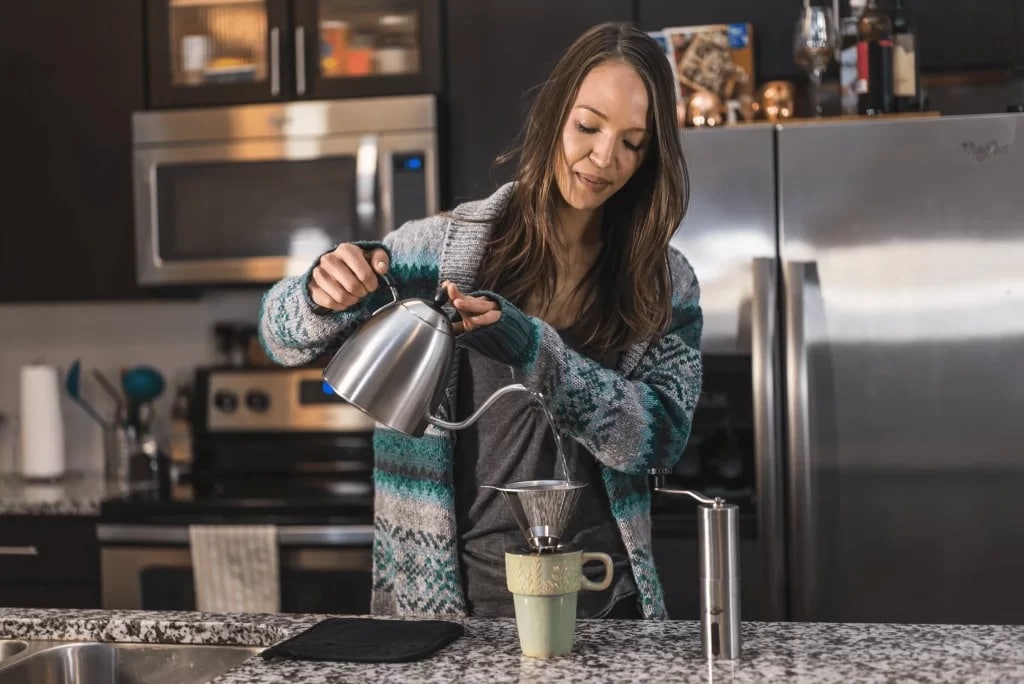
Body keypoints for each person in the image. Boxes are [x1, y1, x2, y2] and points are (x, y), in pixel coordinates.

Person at [259, 21, 702, 620]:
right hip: (451, 602)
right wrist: (319, 293)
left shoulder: (665, 283)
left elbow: (660, 441)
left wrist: (533, 349)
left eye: (633, 142)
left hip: (604, 599)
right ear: (553, 117)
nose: (604, 158)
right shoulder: (436, 251)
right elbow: (278, 336)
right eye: (588, 126)